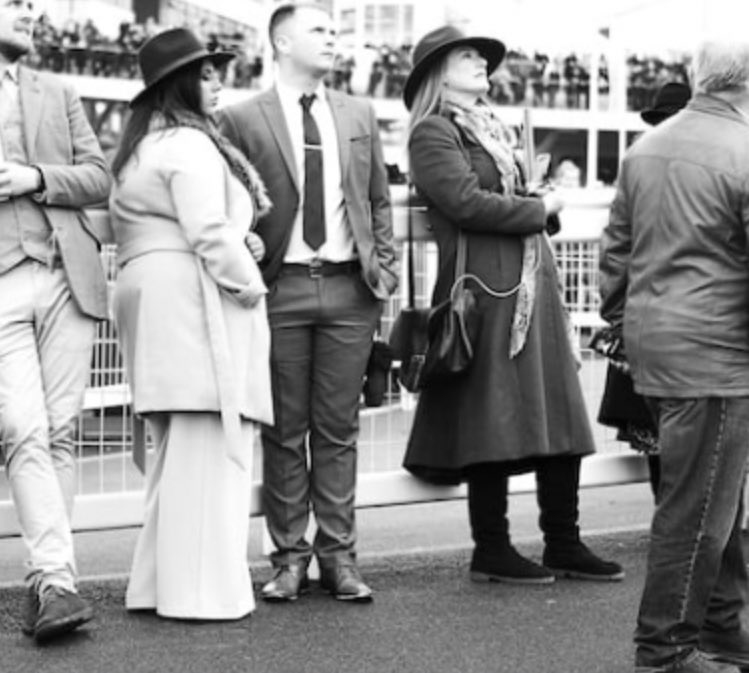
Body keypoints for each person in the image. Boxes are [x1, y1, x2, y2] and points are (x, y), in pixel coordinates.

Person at [401, 25, 623, 586]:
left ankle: (564, 542)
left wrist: (537, 206)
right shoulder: (433, 131)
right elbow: (464, 203)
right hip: (486, 289)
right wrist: (540, 206)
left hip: (527, 282)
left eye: (481, 57)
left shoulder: (492, 127)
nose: (482, 64)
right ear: (438, 72)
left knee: (557, 408)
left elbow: (497, 200)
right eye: (468, 56)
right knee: (491, 415)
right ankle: (492, 549)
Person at [220, 2, 398, 603]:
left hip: (351, 289)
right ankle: (289, 559)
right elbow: (229, 203)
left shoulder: (358, 112)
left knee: (339, 429)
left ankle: (340, 558)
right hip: (280, 287)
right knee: (285, 429)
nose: (334, 37)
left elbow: (378, 199)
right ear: (282, 41)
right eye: (320, 30)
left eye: (335, 29)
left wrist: (385, 271)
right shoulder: (241, 117)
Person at [109, 28, 273, 620]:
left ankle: (156, 585)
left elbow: (187, 224)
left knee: (175, 451)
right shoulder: (188, 143)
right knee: (208, 443)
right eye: (205, 73)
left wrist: (236, 237)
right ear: (179, 84)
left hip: (152, 292)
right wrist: (250, 284)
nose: (218, 81)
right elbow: (207, 230)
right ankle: (200, 594)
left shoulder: (143, 147)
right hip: (191, 298)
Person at [600, 37, 749, 673]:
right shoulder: (743, 150)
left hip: (661, 344)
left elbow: (617, 252)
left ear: (699, 77)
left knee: (713, 493)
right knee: (700, 507)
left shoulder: (647, 148)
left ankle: (719, 627)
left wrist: (626, 324)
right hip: (717, 351)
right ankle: (666, 647)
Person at [0, 0, 110, 643]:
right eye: (16, 1)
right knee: (23, 427)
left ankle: (52, 584)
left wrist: (34, 176)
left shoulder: (58, 90)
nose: (33, 10)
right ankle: (54, 580)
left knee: (61, 432)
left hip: (68, 277)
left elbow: (99, 175)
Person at [595, 81, 692, 498]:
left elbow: (616, 249)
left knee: (660, 435)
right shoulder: (719, 160)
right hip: (691, 319)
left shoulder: (640, 163)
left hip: (649, 317)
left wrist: (617, 316)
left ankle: (673, 526)